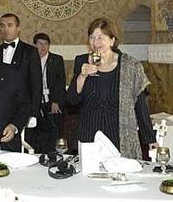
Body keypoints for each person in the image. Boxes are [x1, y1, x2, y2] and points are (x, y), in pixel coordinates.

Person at [67, 18, 157, 158]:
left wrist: (150, 138)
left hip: (118, 136)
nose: (95, 42)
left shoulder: (130, 66)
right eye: (92, 37)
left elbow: (140, 105)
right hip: (88, 135)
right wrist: (82, 76)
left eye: (100, 37)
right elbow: (71, 101)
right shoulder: (82, 61)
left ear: (112, 41)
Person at [0, 13, 42, 148]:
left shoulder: (30, 52)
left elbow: (36, 84)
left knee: (20, 147)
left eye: (10, 25)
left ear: (18, 28)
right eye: (3, 26)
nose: (6, 29)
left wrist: (34, 113)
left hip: (22, 109)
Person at [33, 32, 66, 153]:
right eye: (40, 43)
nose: (43, 47)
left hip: (52, 102)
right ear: (34, 45)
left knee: (53, 134)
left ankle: (54, 157)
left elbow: (60, 83)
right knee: (37, 136)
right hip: (36, 103)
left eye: (46, 44)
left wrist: (55, 101)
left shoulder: (56, 60)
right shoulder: (30, 60)